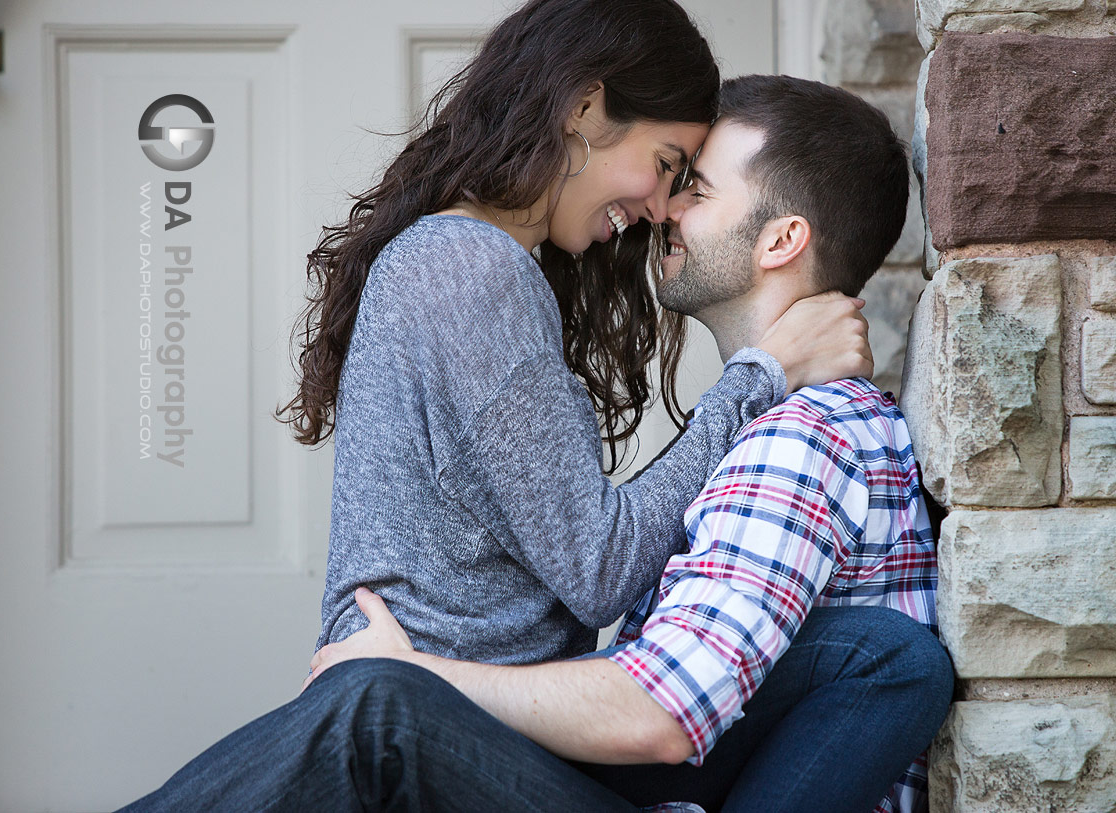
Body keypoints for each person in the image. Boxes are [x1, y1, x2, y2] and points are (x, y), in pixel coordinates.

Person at [303, 76, 951, 813]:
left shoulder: (801, 437)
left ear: (781, 239)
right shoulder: (775, 424)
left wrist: (411, 675)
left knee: (371, 727)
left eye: (695, 189)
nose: (662, 209)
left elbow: (659, 707)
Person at [282, 0, 873, 671]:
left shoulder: (466, 258)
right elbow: (600, 565)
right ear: (585, 109)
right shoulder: (470, 267)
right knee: (883, 658)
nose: (659, 209)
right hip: (434, 735)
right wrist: (764, 373)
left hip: (434, 712)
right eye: (663, 162)